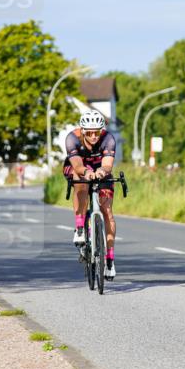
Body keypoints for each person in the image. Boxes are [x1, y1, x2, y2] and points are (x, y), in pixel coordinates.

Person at [64, 109, 118, 280]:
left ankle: (109, 260)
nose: (94, 136)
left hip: (100, 170)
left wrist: (102, 171)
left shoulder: (108, 138)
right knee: (79, 182)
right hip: (78, 168)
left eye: (97, 132)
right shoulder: (72, 139)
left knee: (107, 210)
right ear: (83, 131)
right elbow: (78, 165)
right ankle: (80, 227)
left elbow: (108, 164)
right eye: (90, 133)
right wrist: (86, 172)